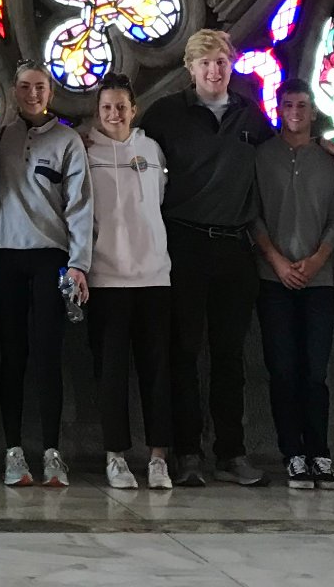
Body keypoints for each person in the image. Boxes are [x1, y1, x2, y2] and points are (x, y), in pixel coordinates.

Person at [138, 28, 270, 486]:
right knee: (184, 351)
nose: (215, 70)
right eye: (206, 63)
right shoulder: (166, 114)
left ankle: (231, 452)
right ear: (189, 69)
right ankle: (188, 451)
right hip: (184, 243)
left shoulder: (250, 115)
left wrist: (326, 153)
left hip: (235, 245)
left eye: (221, 62)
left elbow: (276, 159)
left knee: (230, 356)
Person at [0, 59, 93, 487]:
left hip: (50, 258)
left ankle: (52, 451)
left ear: (51, 92)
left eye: (40, 87)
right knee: (12, 356)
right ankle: (13, 450)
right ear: (14, 91)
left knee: (49, 355)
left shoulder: (68, 140)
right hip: (3, 256)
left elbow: (81, 205)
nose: (33, 94)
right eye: (25, 87)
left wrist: (79, 263)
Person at [82, 76, 173, 490]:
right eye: (106, 108)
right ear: (97, 113)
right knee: (111, 373)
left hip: (154, 276)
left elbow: (160, 200)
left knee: (158, 370)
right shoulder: (86, 152)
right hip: (106, 278)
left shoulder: (152, 149)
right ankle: (115, 456)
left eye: (121, 106)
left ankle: (158, 458)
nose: (114, 114)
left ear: (133, 109)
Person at [252, 79, 334, 490]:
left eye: (302, 105)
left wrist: (317, 260)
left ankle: (320, 452)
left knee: (315, 372)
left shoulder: (329, 160)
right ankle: (293, 454)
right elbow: (252, 216)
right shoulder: (261, 156)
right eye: (287, 104)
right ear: (277, 108)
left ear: (313, 110)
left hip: (319, 281)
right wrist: (277, 261)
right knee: (283, 370)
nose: (295, 111)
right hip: (273, 280)